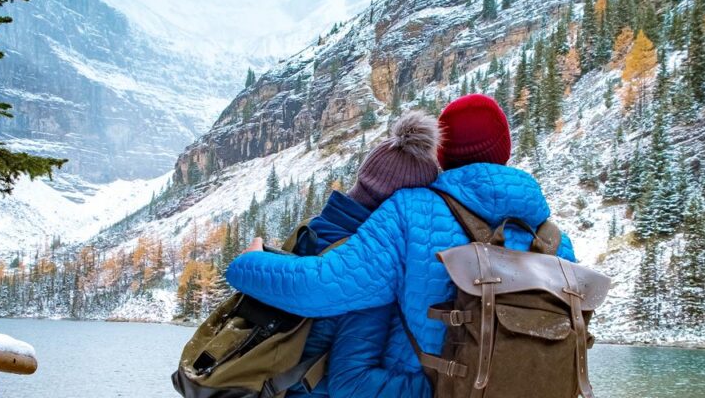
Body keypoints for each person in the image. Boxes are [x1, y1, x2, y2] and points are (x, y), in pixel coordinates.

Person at [229, 94, 576, 393]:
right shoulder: (555, 242)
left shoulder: (412, 211)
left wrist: (248, 263)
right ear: (506, 149)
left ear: (442, 153)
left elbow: (322, 285)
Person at [281, 109, 439, 397]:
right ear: (402, 205)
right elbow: (351, 382)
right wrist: (438, 386)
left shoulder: (313, 229)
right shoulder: (368, 265)